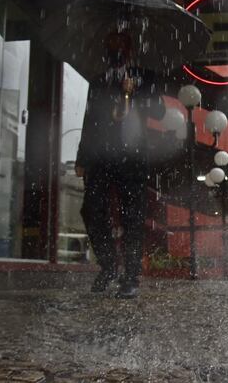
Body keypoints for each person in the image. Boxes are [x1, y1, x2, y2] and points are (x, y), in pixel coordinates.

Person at [75, 32, 165, 298]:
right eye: (110, 43)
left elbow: (159, 110)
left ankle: (131, 276)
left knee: (132, 217)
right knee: (91, 211)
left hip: (133, 157)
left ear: (130, 49)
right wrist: (82, 158)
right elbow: (89, 119)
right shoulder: (98, 81)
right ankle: (109, 265)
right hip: (101, 158)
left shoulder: (144, 77)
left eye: (121, 44)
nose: (115, 48)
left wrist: (135, 90)